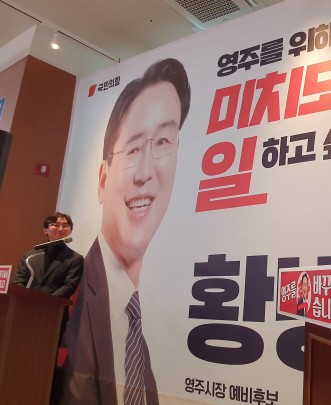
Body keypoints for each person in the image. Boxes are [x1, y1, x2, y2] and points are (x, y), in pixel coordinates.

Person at [60, 58, 191, 405]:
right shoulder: (72, 295)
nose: (145, 172)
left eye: (163, 141)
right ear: (103, 179)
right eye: (133, 149)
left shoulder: (138, 326)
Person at [13, 212, 83, 298]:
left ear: (70, 231)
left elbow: (70, 285)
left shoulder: (75, 258)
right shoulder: (30, 256)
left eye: (65, 226)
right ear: (45, 230)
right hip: (25, 302)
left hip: (54, 304)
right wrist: (25, 297)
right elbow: (18, 280)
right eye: (55, 225)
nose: (60, 229)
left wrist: (46, 301)